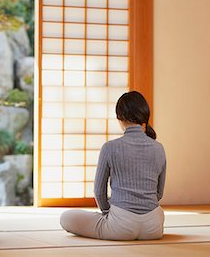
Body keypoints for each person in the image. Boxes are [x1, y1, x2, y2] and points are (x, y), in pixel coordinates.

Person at [60, 91, 167, 240]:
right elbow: (159, 193)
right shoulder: (159, 148)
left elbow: (98, 191)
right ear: (144, 117)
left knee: (66, 217)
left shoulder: (110, 147)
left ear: (119, 118)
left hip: (120, 227)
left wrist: (107, 212)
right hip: (153, 228)